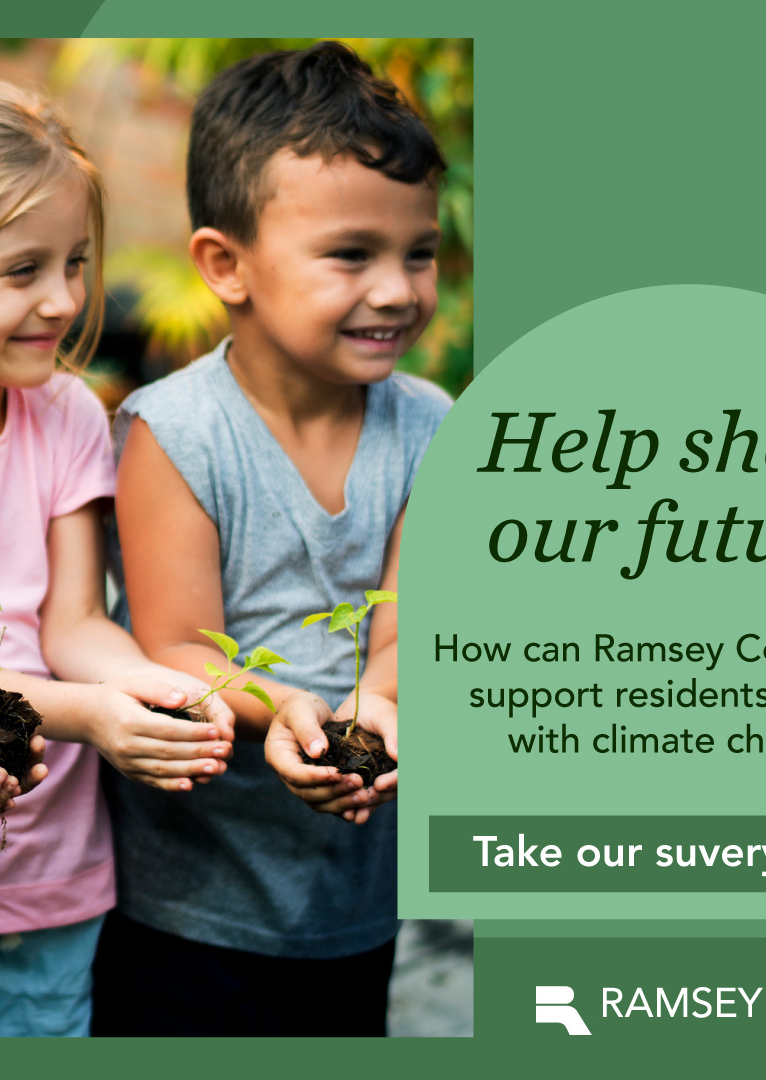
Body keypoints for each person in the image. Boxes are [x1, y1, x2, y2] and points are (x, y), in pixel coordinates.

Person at [92, 42, 452, 1036]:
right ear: (225, 266)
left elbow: (406, 624)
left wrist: (380, 704)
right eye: (351, 255)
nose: (397, 290)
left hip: (352, 899)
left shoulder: (431, 428)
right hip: (188, 900)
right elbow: (176, 643)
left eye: (417, 253)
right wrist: (285, 707)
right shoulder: (176, 433)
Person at [0, 80, 235, 1038]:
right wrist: (91, 714)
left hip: (49, 875)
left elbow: (76, 622)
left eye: (76, 263)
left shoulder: (66, 417)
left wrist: (148, 692)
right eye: (21, 271)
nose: (62, 299)